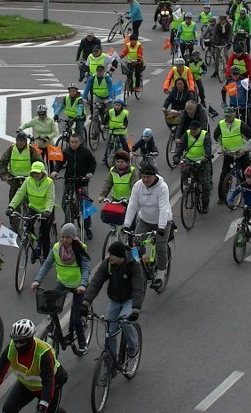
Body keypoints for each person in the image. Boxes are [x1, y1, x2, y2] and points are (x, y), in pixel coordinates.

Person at [30, 223, 92, 353]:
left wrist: (83, 284)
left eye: (67, 237)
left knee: (76, 318)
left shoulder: (80, 249)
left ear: (73, 238)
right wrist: (37, 280)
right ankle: (54, 329)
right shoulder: (57, 249)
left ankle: (82, 342)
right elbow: (46, 265)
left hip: (78, 286)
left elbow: (86, 268)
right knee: (49, 304)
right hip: (63, 283)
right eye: (62, 236)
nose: (64, 240)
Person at [0, 319, 68, 413]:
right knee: (8, 410)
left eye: (21, 341)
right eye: (15, 341)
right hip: (28, 384)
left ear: (30, 339)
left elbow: (48, 382)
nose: (18, 345)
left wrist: (42, 407)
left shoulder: (43, 353)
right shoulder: (11, 349)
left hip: (52, 384)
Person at [80, 240, 144, 361]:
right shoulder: (108, 264)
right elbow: (96, 282)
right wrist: (86, 302)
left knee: (124, 321)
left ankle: (133, 346)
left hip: (129, 300)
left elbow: (138, 288)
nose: (109, 257)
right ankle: (111, 358)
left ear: (120, 257)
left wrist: (136, 309)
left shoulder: (134, 266)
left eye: (111, 255)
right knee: (110, 329)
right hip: (114, 299)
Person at [123, 161, 173, 289]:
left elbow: (163, 208)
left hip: (162, 221)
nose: (145, 180)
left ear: (155, 176)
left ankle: (160, 275)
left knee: (161, 248)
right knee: (135, 243)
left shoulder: (162, 187)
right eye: (143, 176)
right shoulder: (138, 186)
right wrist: (127, 225)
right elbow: (132, 206)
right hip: (145, 220)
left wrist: (161, 227)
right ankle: (141, 262)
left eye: (148, 177)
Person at [50, 133, 96, 239]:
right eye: (72, 142)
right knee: (64, 203)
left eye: (76, 142)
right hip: (69, 180)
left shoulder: (85, 152)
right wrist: (55, 171)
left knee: (85, 206)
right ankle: (69, 219)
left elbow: (93, 163)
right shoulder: (66, 152)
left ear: (80, 142)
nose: (73, 144)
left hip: (82, 181)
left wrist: (90, 173)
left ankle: (87, 228)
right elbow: (60, 163)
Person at [9, 161, 56, 259]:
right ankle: (33, 240)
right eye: (34, 172)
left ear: (43, 173)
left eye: (38, 173)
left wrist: (47, 211)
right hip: (33, 207)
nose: (35, 175)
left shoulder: (49, 182)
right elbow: (20, 194)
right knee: (27, 225)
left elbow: (50, 198)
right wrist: (11, 207)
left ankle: (46, 258)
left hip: (45, 210)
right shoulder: (28, 181)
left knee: (44, 234)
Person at [213, 107, 251, 204]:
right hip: (229, 154)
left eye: (229, 116)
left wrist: (244, 149)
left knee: (247, 173)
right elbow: (217, 138)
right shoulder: (221, 124)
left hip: (241, 153)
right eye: (226, 116)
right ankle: (222, 197)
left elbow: (250, 137)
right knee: (224, 175)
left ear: (234, 115)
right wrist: (220, 149)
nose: (227, 118)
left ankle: (249, 192)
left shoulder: (240, 124)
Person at [174, 120, 213, 212]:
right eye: (191, 130)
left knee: (205, 184)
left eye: (195, 130)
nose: (193, 131)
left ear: (199, 129)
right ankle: (188, 185)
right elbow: (181, 146)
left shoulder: (205, 135)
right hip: (189, 159)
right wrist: (177, 155)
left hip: (202, 160)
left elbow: (208, 148)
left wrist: (206, 157)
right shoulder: (187, 134)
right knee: (184, 168)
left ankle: (205, 205)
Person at [0, 133, 43, 199]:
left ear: (25, 142)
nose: (20, 143)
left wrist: (37, 174)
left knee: (32, 197)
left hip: (29, 177)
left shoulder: (31, 149)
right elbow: (2, 162)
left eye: (22, 141)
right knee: (13, 198)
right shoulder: (11, 149)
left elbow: (38, 162)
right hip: (14, 177)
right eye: (18, 141)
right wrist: (5, 175)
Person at [226, 166, 251, 235]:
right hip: (247, 205)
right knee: (245, 218)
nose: (249, 180)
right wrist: (230, 201)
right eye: (247, 178)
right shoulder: (242, 185)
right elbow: (234, 193)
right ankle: (242, 235)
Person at [103, 98, 130, 164]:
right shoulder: (111, 111)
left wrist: (124, 126)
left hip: (120, 131)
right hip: (112, 130)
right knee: (109, 143)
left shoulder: (124, 113)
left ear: (121, 106)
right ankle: (105, 156)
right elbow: (106, 119)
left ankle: (128, 154)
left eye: (119, 105)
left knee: (124, 143)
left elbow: (126, 122)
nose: (117, 107)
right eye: (116, 105)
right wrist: (102, 124)